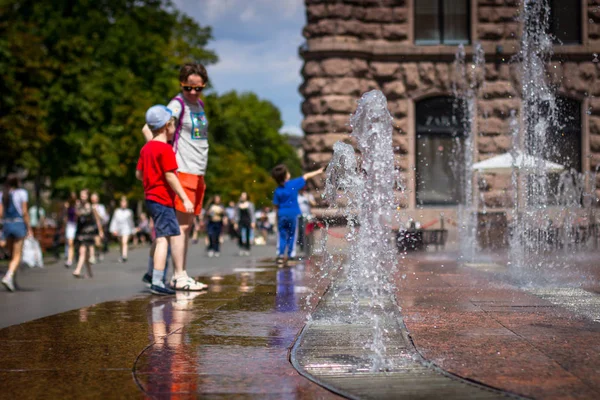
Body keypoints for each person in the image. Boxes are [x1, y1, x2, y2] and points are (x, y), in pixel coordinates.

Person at [141, 63, 209, 279]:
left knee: (186, 226)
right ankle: (179, 275)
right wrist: (158, 153)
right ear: (181, 85)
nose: (192, 92)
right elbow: (148, 127)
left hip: (197, 171)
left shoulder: (199, 105)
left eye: (198, 88)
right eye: (188, 87)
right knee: (181, 227)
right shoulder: (177, 105)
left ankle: (159, 272)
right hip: (183, 169)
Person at [137, 104, 207, 295]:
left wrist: (151, 180)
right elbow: (170, 176)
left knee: (160, 236)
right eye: (173, 125)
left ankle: (151, 273)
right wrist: (185, 198)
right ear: (166, 126)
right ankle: (157, 281)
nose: (175, 129)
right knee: (163, 240)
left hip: (150, 199)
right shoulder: (166, 150)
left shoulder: (147, 148)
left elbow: (139, 174)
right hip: (162, 200)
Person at [271, 165, 324, 266]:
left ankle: (280, 256)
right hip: (293, 213)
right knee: (292, 235)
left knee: (282, 235)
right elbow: (306, 176)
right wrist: (318, 171)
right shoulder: (292, 184)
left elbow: (276, 206)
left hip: (282, 214)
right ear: (286, 176)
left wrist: (276, 219)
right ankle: (291, 255)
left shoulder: (278, 190)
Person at [0, 174, 32, 291]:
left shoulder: (3, 194)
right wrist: (28, 227)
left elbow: (1, 213)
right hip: (18, 224)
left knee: (11, 255)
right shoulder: (21, 193)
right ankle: (8, 276)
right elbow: (24, 212)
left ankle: (13, 281)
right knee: (17, 255)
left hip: (7, 224)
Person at [72, 189, 104, 278]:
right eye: (81, 196)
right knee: (85, 254)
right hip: (80, 231)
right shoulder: (77, 206)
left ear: (87, 196)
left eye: (84, 196)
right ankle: (89, 271)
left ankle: (77, 270)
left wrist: (100, 231)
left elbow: (98, 220)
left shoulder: (91, 207)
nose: (83, 197)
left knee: (82, 251)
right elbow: (75, 217)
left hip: (89, 231)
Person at [109, 196, 135, 263]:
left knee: (124, 242)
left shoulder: (129, 212)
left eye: (125, 202)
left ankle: (124, 256)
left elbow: (131, 222)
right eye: (122, 202)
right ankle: (122, 254)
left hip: (127, 229)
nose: (123, 204)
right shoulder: (117, 211)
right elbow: (114, 221)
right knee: (121, 243)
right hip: (119, 229)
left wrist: (133, 230)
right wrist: (113, 229)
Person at [90, 192, 109, 263]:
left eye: (95, 198)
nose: (94, 199)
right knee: (91, 242)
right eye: (92, 198)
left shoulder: (101, 207)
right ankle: (92, 256)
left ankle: (100, 252)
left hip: (99, 226)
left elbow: (103, 218)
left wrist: (96, 212)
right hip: (90, 226)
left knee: (97, 243)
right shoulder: (89, 206)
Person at [297, 188, 317, 254]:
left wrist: (308, 198)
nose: (302, 191)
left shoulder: (308, 196)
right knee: (301, 231)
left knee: (309, 232)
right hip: (299, 217)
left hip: (308, 217)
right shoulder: (297, 196)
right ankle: (302, 246)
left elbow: (314, 204)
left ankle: (310, 246)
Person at [63, 192, 78, 268]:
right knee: (70, 243)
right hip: (70, 225)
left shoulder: (78, 204)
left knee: (78, 243)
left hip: (77, 225)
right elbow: (65, 215)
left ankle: (78, 256)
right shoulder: (67, 205)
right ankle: (69, 259)